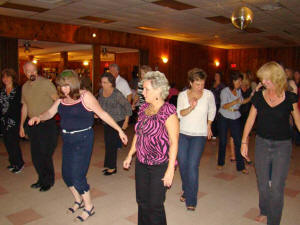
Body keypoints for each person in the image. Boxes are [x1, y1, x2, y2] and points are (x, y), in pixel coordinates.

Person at [28, 70, 128, 222]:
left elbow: (102, 114)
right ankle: (78, 200)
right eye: (61, 86)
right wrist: (38, 117)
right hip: (67, 139)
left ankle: (89, 207)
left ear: (74, 83)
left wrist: (119, 129)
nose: (64, 89)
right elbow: (49, 113)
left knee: (77, 175)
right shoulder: (62, 99)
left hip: (83, 139)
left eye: (67, 85)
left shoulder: (85, 96)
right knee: (67, 175)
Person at [241, 61, 300, 225]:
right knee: (262, 183)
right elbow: (251, 119)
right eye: (262, 79)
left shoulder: (290, 97)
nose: (263, 83)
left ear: (277, 78)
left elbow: (297, 120)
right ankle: (264, 210)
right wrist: (244, 141)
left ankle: (273, 221)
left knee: (277, 187)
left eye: (267, 79)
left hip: (282, 146)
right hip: (261, 143)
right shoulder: (259, 96)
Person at [123, 71, 179, 225]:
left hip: (160, 165)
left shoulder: (168, 112)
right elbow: (138, 134)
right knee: (142, 201)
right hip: (141, 163)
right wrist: (130, 155)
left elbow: (174, 142)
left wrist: (170, 170)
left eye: (146, 89)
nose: (143, 92)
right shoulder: (143, 109)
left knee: (155, 205)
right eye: (143, 88)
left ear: (158, 91)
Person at [176, 68, 216, 211]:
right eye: (198, 84)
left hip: (199, 135)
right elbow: (179, 114)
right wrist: (191, 108)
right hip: (183, 134)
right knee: (183, 163)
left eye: (203, 84)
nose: (201, 87)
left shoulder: (208, 95)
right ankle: (186, 189)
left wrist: (209, 125)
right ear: (191, 83)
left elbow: (212, 109)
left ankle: (191, 199)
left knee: (192, 166)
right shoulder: (182, 95)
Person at [20, 62, 58, 192]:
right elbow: (25, 106)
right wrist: (21, 125)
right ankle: (41, 178)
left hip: (47, 124)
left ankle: (48, 180)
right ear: (24, 72)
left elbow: (57, 100)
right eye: (29, 71)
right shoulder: (24, 87)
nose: (32, 73)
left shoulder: (46, 83)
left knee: (45, 153)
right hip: (33, 124)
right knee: (35, 155)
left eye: (34, 70)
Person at [217, 71, 252, 174]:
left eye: (241, 81)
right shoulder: (225, 91)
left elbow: (242, 101)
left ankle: (241, 166)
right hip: (224, 116)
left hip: (235, 116)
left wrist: (251, 97)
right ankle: (220, 162)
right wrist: (235, 102)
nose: (241, 83)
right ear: (234, 81)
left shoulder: (239, 91)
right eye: (239, 81)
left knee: (238, 141)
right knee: (223, 141)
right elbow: (224, 106)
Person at [98, 72, 132, 175]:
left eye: (105, 82)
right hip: (107, 121)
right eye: (101, 82)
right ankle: (109, 165)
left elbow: (128, 107)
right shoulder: (101, 91)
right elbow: (100, 103)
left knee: (111, 144)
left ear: (111, 83)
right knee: (108, 143)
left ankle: (112, 168)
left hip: (118, 121)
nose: (102, 84)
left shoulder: (117, 94)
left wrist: (126, 121)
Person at [0, 69, 24, 173]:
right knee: (7, 142)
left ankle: (19, 163)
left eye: (8, 76)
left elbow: (20, 106)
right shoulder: (2, 90)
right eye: (4, 77)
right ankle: (12, 162)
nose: (5, 79)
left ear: (12, 78)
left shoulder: (18, 90)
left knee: (13, 142)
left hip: (14, 120)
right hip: (3, 120)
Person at [210, 71, 225, 138]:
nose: (215, 77)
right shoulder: (213, 84)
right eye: (215, 75)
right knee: (212, 118)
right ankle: (213, 133)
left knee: (217, 119)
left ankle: (218, 133)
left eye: (217, 75)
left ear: (220, 77)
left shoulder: (222, 85)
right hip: (212, 103)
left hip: (219, 103)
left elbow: (223, 96)